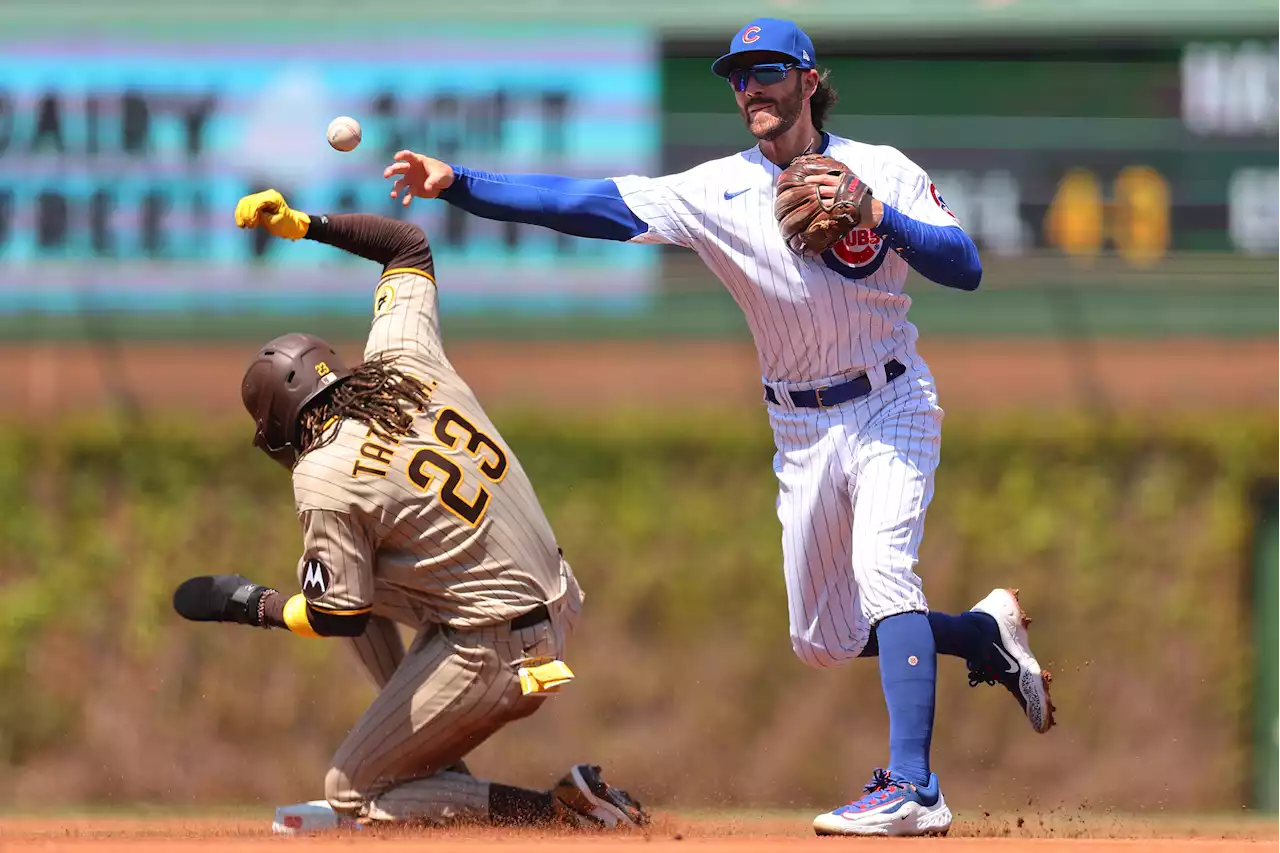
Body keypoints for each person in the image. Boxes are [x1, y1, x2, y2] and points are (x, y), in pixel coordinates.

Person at [380, 17, 1054, 837]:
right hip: (799, 431)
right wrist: (458, 181)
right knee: (825, 639)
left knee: (885, 570)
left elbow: (966, 266)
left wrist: (876, 211)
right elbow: (591, 206)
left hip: (890, 403)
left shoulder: (880, 169)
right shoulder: (715, 190)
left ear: (809, 80)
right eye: (737, 76)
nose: (749, 88)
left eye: (766, 71)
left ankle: (913, 784)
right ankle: (981, 637)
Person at [170, 189, 648, 832]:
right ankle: (432, 773)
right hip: (553, 594)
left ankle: (563, 815)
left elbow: (335, 616)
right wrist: (302, 224)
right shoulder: (402, 359)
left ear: (281, 428)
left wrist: (246, 603)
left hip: (499, 648)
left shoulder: (323, 474)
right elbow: (406, 244)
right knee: (352, 572)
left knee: (352, 792)